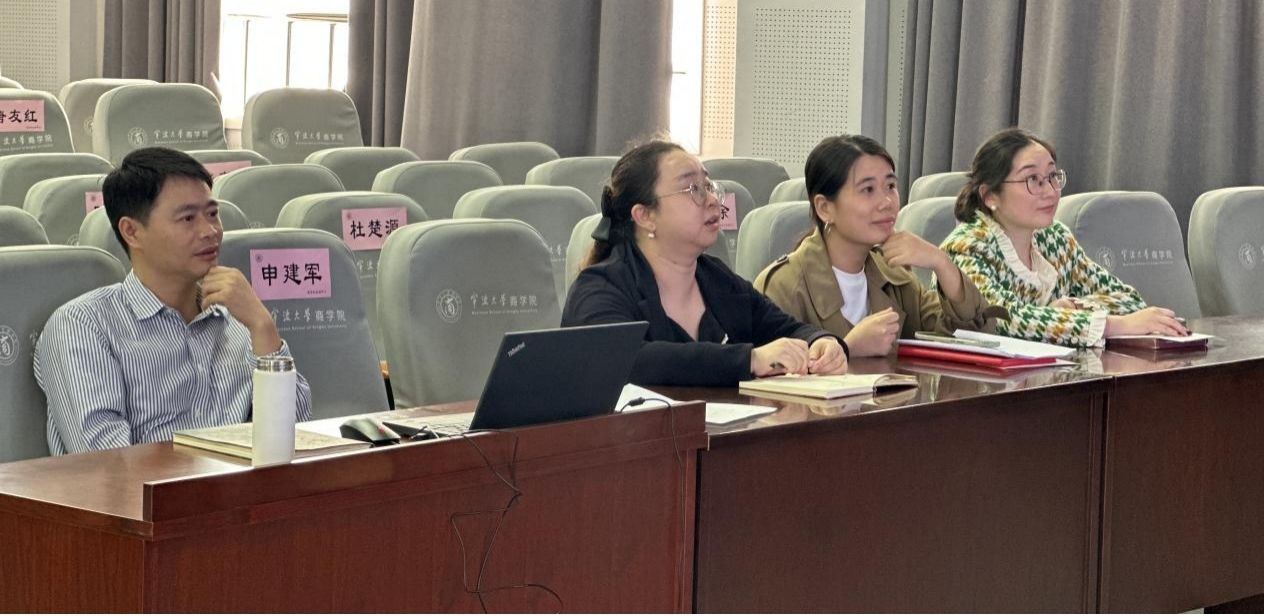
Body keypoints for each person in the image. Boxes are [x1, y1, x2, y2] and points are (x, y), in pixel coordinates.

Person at [35, 147, 312, 455]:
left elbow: (293, 439)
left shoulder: (239, 317)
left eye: (212, 214)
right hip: (152, 489)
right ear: (131, 231)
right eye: (187, 218)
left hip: (250, 485)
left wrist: (263, 327)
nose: (210, 231)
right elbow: (105, 462)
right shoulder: (83, 325)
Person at [561, 140, 848, 386]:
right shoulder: (600, 287)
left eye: (708, 186)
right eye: (692, 189)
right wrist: (749, 359)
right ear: (645, 216)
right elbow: (624, 359)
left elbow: (785, 328)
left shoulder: (717, 278)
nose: (712, 200)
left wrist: (822, 343)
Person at [940, 128, 1188, 346]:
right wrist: (1112, 325)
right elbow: (1000, 319)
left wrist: (1074, 308)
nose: (1050, 191)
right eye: (1033, 180)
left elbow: (1129, 301)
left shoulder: (1054, 239)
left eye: (1052, 177)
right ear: (990, 196)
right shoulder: (965, 247)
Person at [754, 135, 998, 356]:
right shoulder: (784, 285)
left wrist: (940, 262)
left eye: (890, 186)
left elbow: (972, 337)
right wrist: (847, 349)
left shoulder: (894, 275)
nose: (887, 202)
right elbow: (766, 375)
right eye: (868, 190)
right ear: (825, 208)